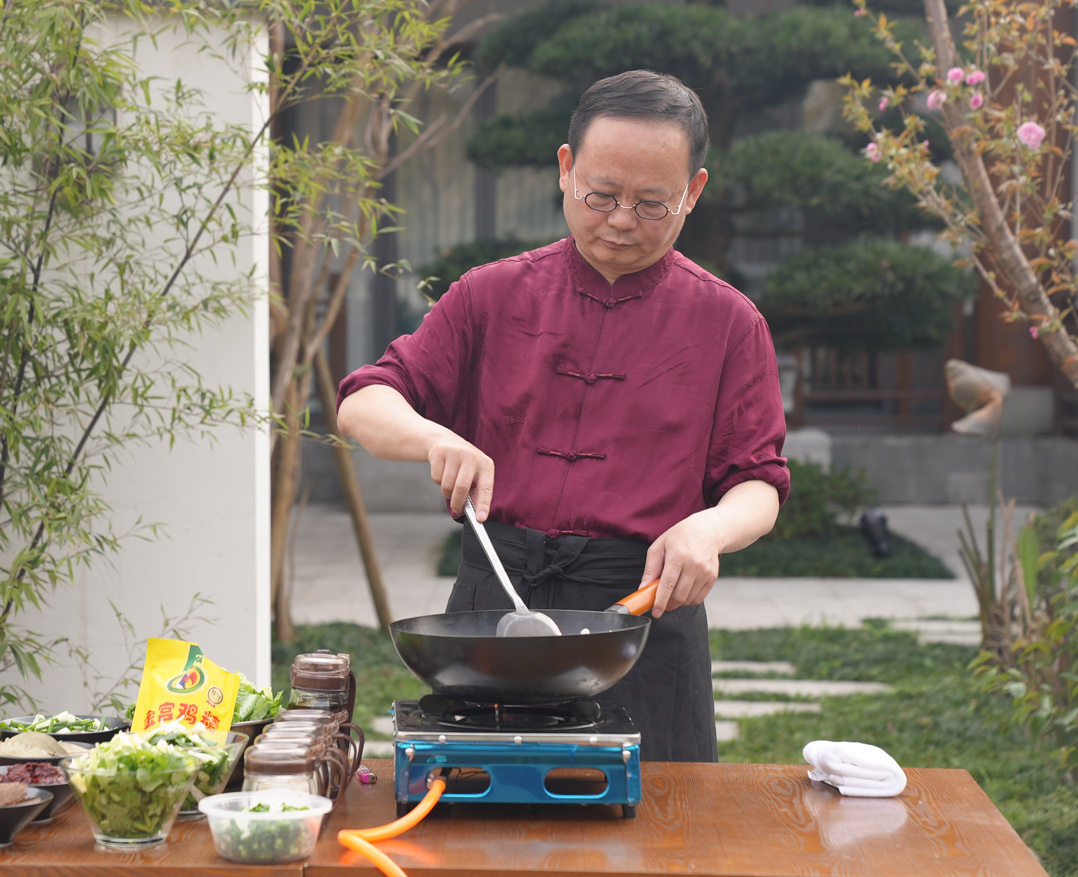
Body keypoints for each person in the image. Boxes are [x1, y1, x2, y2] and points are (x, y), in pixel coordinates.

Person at [336, 70, 789, 762]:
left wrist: (711, 529)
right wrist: (432, 437)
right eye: (600, 195)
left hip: (640, 615)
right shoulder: (489, 295)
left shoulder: (728, 322)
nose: (619, 221)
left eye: (651, 204)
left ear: (694, 193)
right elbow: (363, 403)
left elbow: (758, 481)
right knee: (481, 839)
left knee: (657, 839)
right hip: (497, 609)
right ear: (565, 168)